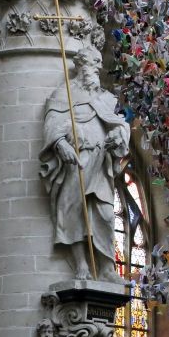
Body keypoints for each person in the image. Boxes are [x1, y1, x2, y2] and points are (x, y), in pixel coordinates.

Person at [39, 47, 130, 281]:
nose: (99, 67)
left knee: (107, 215)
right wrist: (61, 145)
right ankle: (81, 265)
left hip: (101, 162)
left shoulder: (105, 98)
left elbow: (120, 124)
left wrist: (118, 136)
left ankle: (107, 268)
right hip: (78, 161)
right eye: (95, 62)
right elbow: (53, 124)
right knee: (72, 210)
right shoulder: (65, 94)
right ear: (82, 66)